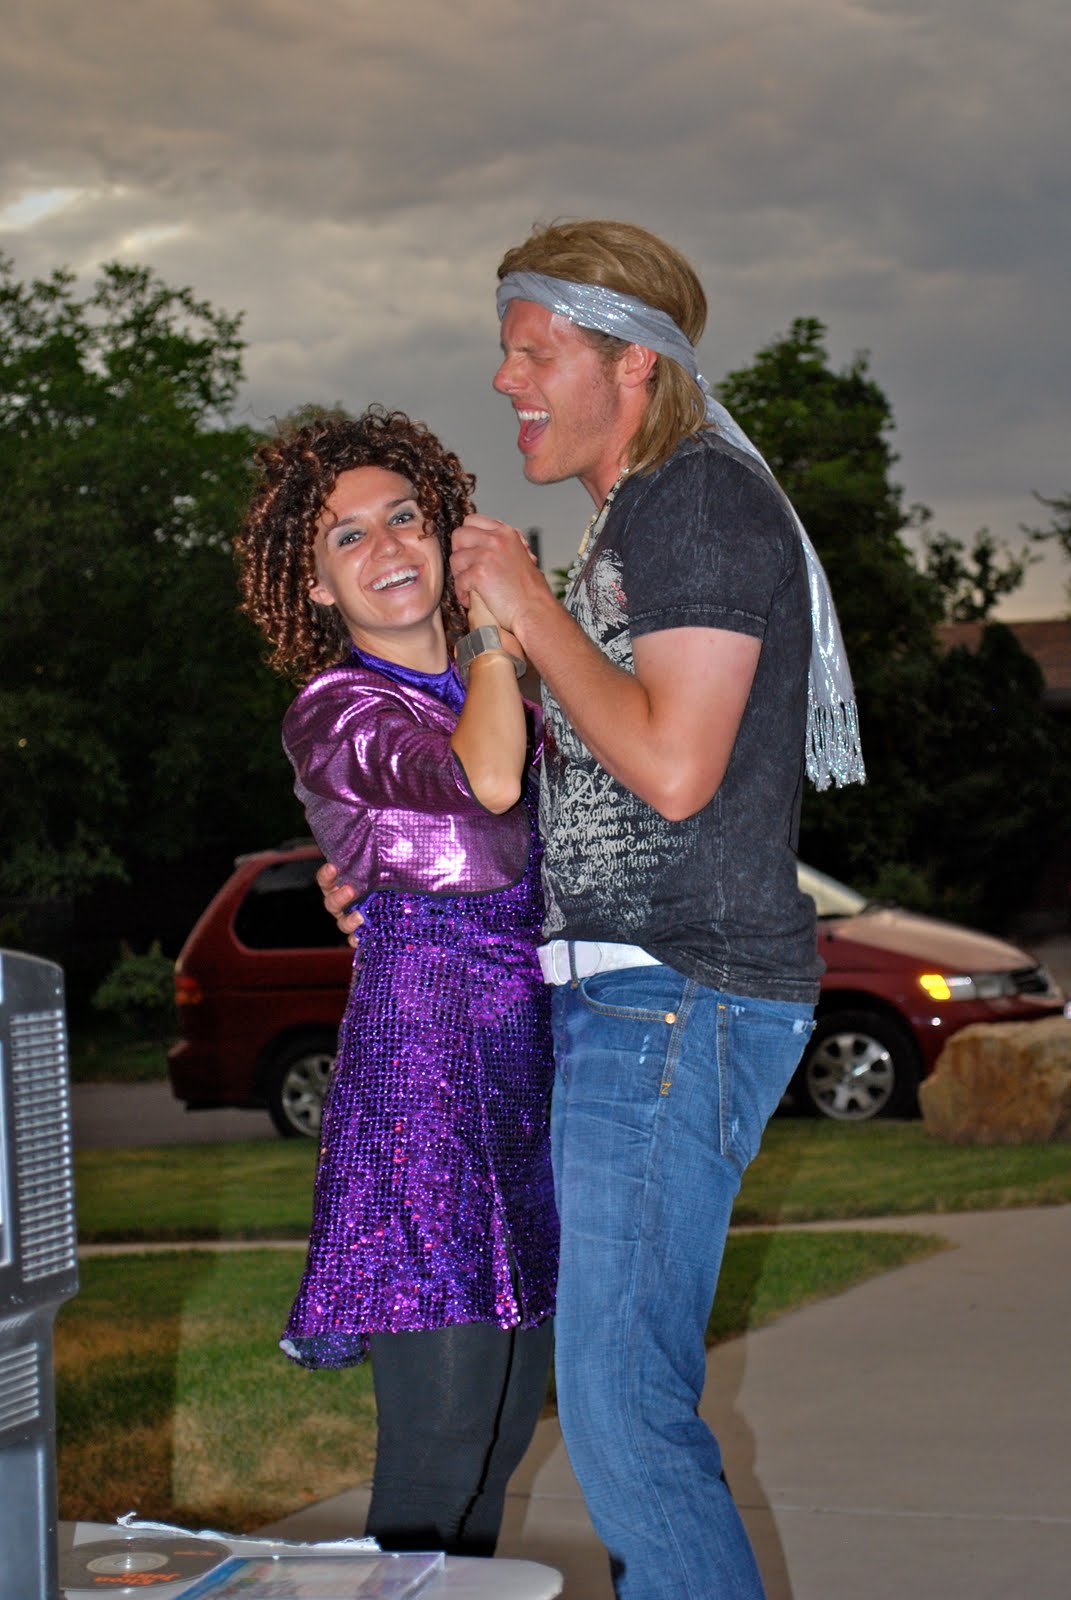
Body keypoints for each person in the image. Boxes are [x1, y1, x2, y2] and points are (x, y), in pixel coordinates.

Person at [323, 221, 863, 1599]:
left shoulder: (694, 502)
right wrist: (402, 870)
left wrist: (519, 603)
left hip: (674, 994)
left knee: (623, 1413)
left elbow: (673, 771)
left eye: (532, 350)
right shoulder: (637, 520)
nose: (505, 379)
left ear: (632, 364)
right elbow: (584, 790)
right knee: (615, 1403)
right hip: (624, 997)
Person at [235, 407, 557, 1559]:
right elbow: (486, 783)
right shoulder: (339, 708)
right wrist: (496, 632)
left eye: (406, 516)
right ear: (316, 584)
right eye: (348, 536)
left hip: (528, 1086)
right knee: (438, 1449)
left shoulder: (511, 699)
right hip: (422, 1088)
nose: (388, 547)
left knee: (502, 1439)